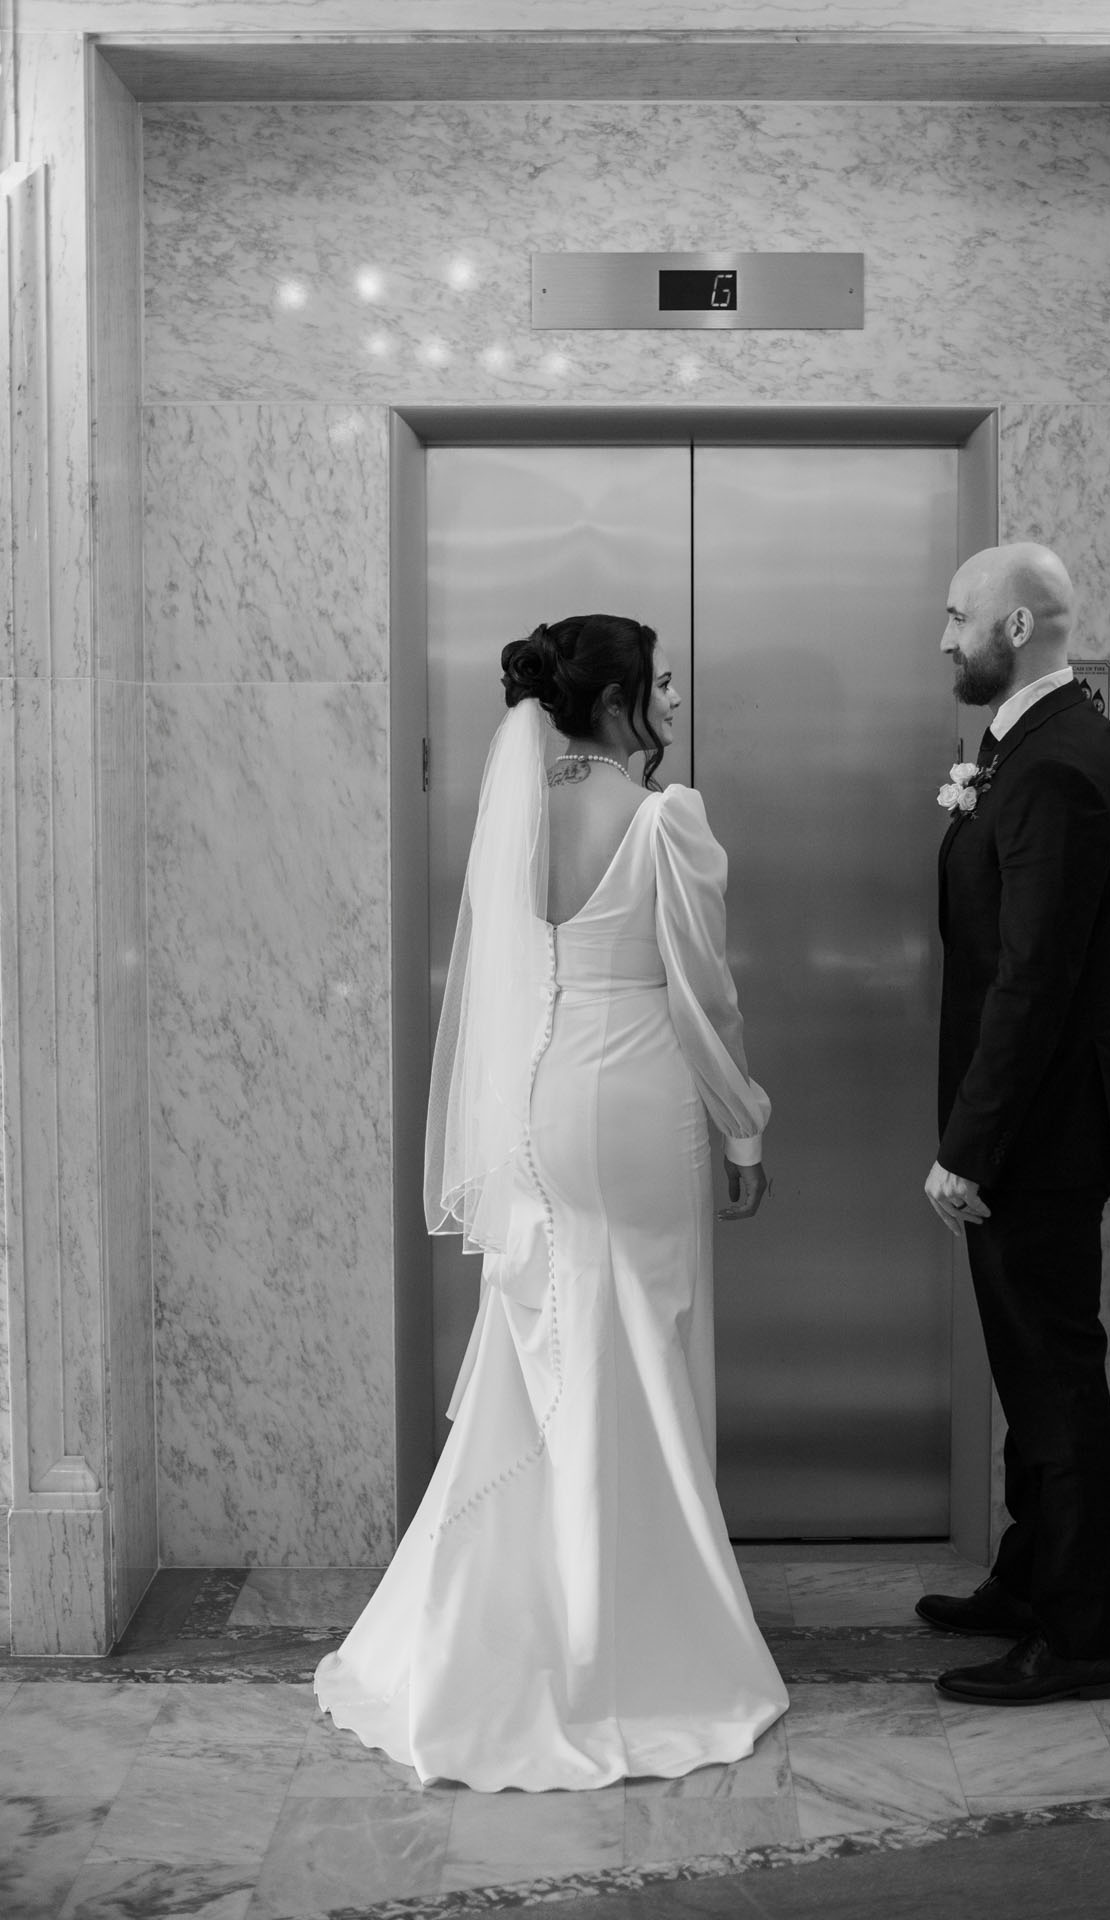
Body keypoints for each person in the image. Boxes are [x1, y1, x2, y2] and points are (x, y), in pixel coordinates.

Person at [315, 613, 787, 1790]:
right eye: (660, 685)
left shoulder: (518, 813)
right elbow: (702, 994)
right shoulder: (662, 817)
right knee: (637, 1342)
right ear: (619, 698)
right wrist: (742, 1125)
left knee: (547, 1353)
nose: (672, 702)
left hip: (534, 1109)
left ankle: (493, 1625)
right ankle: (616, 1651)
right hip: (633, 1105)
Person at [918, 543, 1110, 1706]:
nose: (943, 636)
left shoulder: (1055, 766)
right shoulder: (1034, 747)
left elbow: (1033, 982)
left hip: (1038, 1140)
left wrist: (967, 1144)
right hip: (1041, 1131)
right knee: (1032, 1373)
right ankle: (1027, 1580)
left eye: (956, 616)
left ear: (1013, 625)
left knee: (1055, 1383)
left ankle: (1078, 1642)